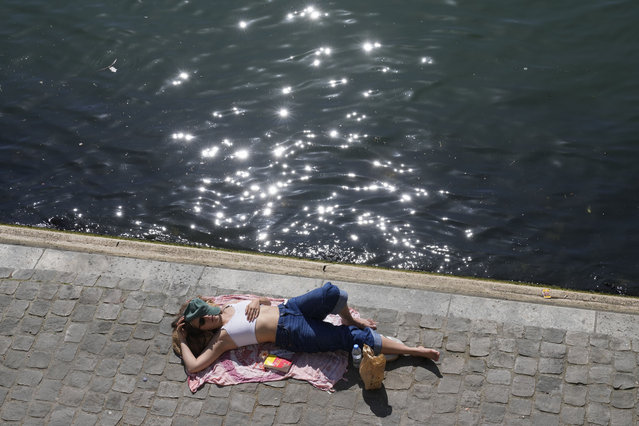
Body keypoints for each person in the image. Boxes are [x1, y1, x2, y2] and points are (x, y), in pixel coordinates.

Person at [172, 282, 440, 374]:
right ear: (203, 330)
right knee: (351, 338)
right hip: (291, 333)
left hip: (290, 308)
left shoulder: (227, 307)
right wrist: (183, 340)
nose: (210, 318)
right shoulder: (221, 339)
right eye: (203, 322)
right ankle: (415, 351)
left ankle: (349, 317)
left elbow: (265, 303)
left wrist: (257, 300)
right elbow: (195, 366)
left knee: (331, 292)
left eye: (206, 313)